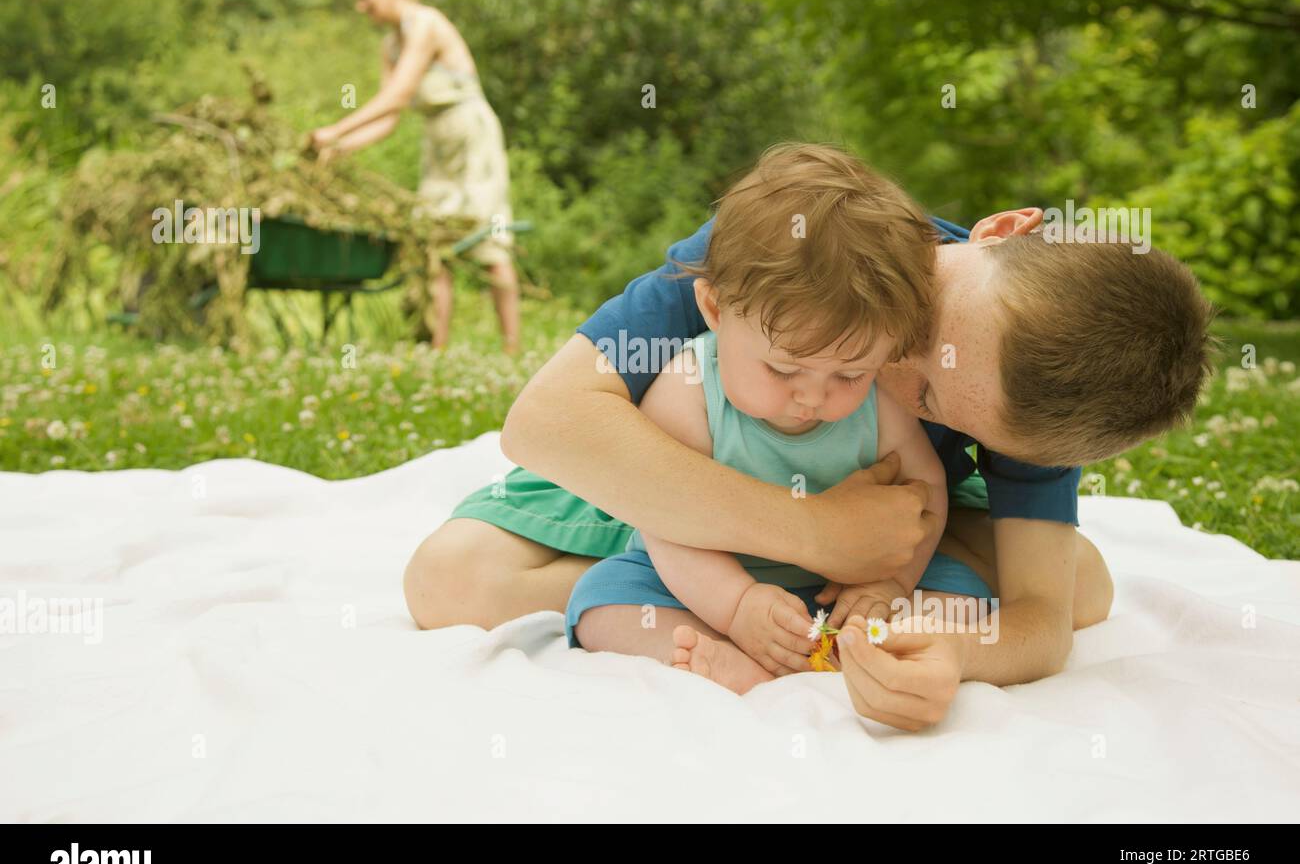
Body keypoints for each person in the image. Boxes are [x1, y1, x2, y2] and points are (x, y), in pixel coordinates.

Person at [404, 147, 1215, 730]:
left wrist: (952, 651)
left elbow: (1041, 619)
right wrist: (811, 530)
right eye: (927, 330)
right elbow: (542, 422)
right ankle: (704, 584)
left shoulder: (1036, 394)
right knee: (451, 578)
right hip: (700, 462)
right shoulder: (793, 248)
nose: (884, 375)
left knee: (1083, 585)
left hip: (897, 521)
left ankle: (794, 607)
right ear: (1001, 228)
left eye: (935, 400)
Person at [567, 145, 953, 694]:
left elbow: (926, 492)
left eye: (849, 375)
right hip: (705, 583)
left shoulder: (881, 400)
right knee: (605, 602)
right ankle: (724, 656)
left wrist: (891, 582)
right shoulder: (690, 391)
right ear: (716, 311)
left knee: (964, 594)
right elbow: (666, 520)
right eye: (783, 367)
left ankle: (872, 653)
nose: (813, 397)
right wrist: (736, 605)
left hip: (842, 584)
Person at [310, 0, 520, 353]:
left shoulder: (426, 24)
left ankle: (512, 349)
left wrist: (335, 131)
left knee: (490, 244)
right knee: (433, 246)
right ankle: (435, 350)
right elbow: (389, 119)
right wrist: (340, 148)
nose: (361, 7)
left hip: (471, 136)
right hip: (438, 143)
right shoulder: (390, 46)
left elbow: (398, 95)